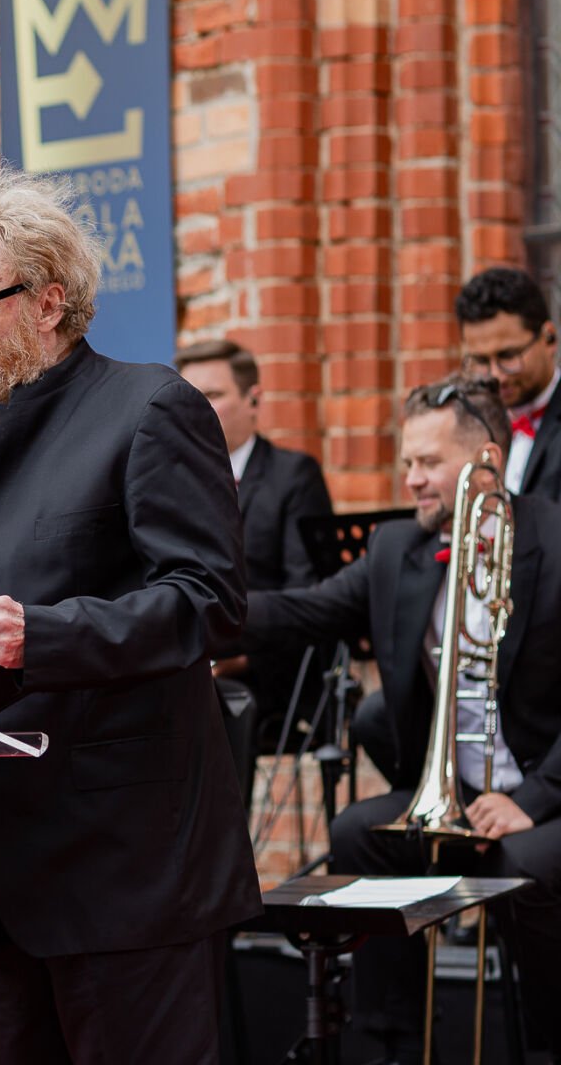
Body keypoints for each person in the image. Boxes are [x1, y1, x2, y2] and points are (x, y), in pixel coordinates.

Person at [0, 164, 259, 1063]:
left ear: (48, 302)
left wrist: (45, 635)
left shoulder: (149, 408)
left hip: (124, 872)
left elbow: (209, 602)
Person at [243, 375, 561, 1063]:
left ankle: (547, 1043)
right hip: (460, 797)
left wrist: (533, 801)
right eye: (407, 461)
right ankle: (395, 1041)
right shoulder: (398, 548)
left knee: (523, 863)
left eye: (428, 462)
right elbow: (307, 609)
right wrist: (192, 609)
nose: (410, 479)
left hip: (546, 796)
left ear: (487, 462)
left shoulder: (556, 540)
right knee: (358, 833)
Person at [176, 338, 334, 742]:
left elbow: (306, 594)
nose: (198, 408)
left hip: (266, 670)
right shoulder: (170, 479)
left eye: (213, 395)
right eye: (189, 397)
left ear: (253, 400)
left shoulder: (292, 476)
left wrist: (236, 659)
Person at [457, 266, 560, 500]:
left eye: (508, 356)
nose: (496, 376)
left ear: (549, 338)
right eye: (481, 360)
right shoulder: (469, 424)